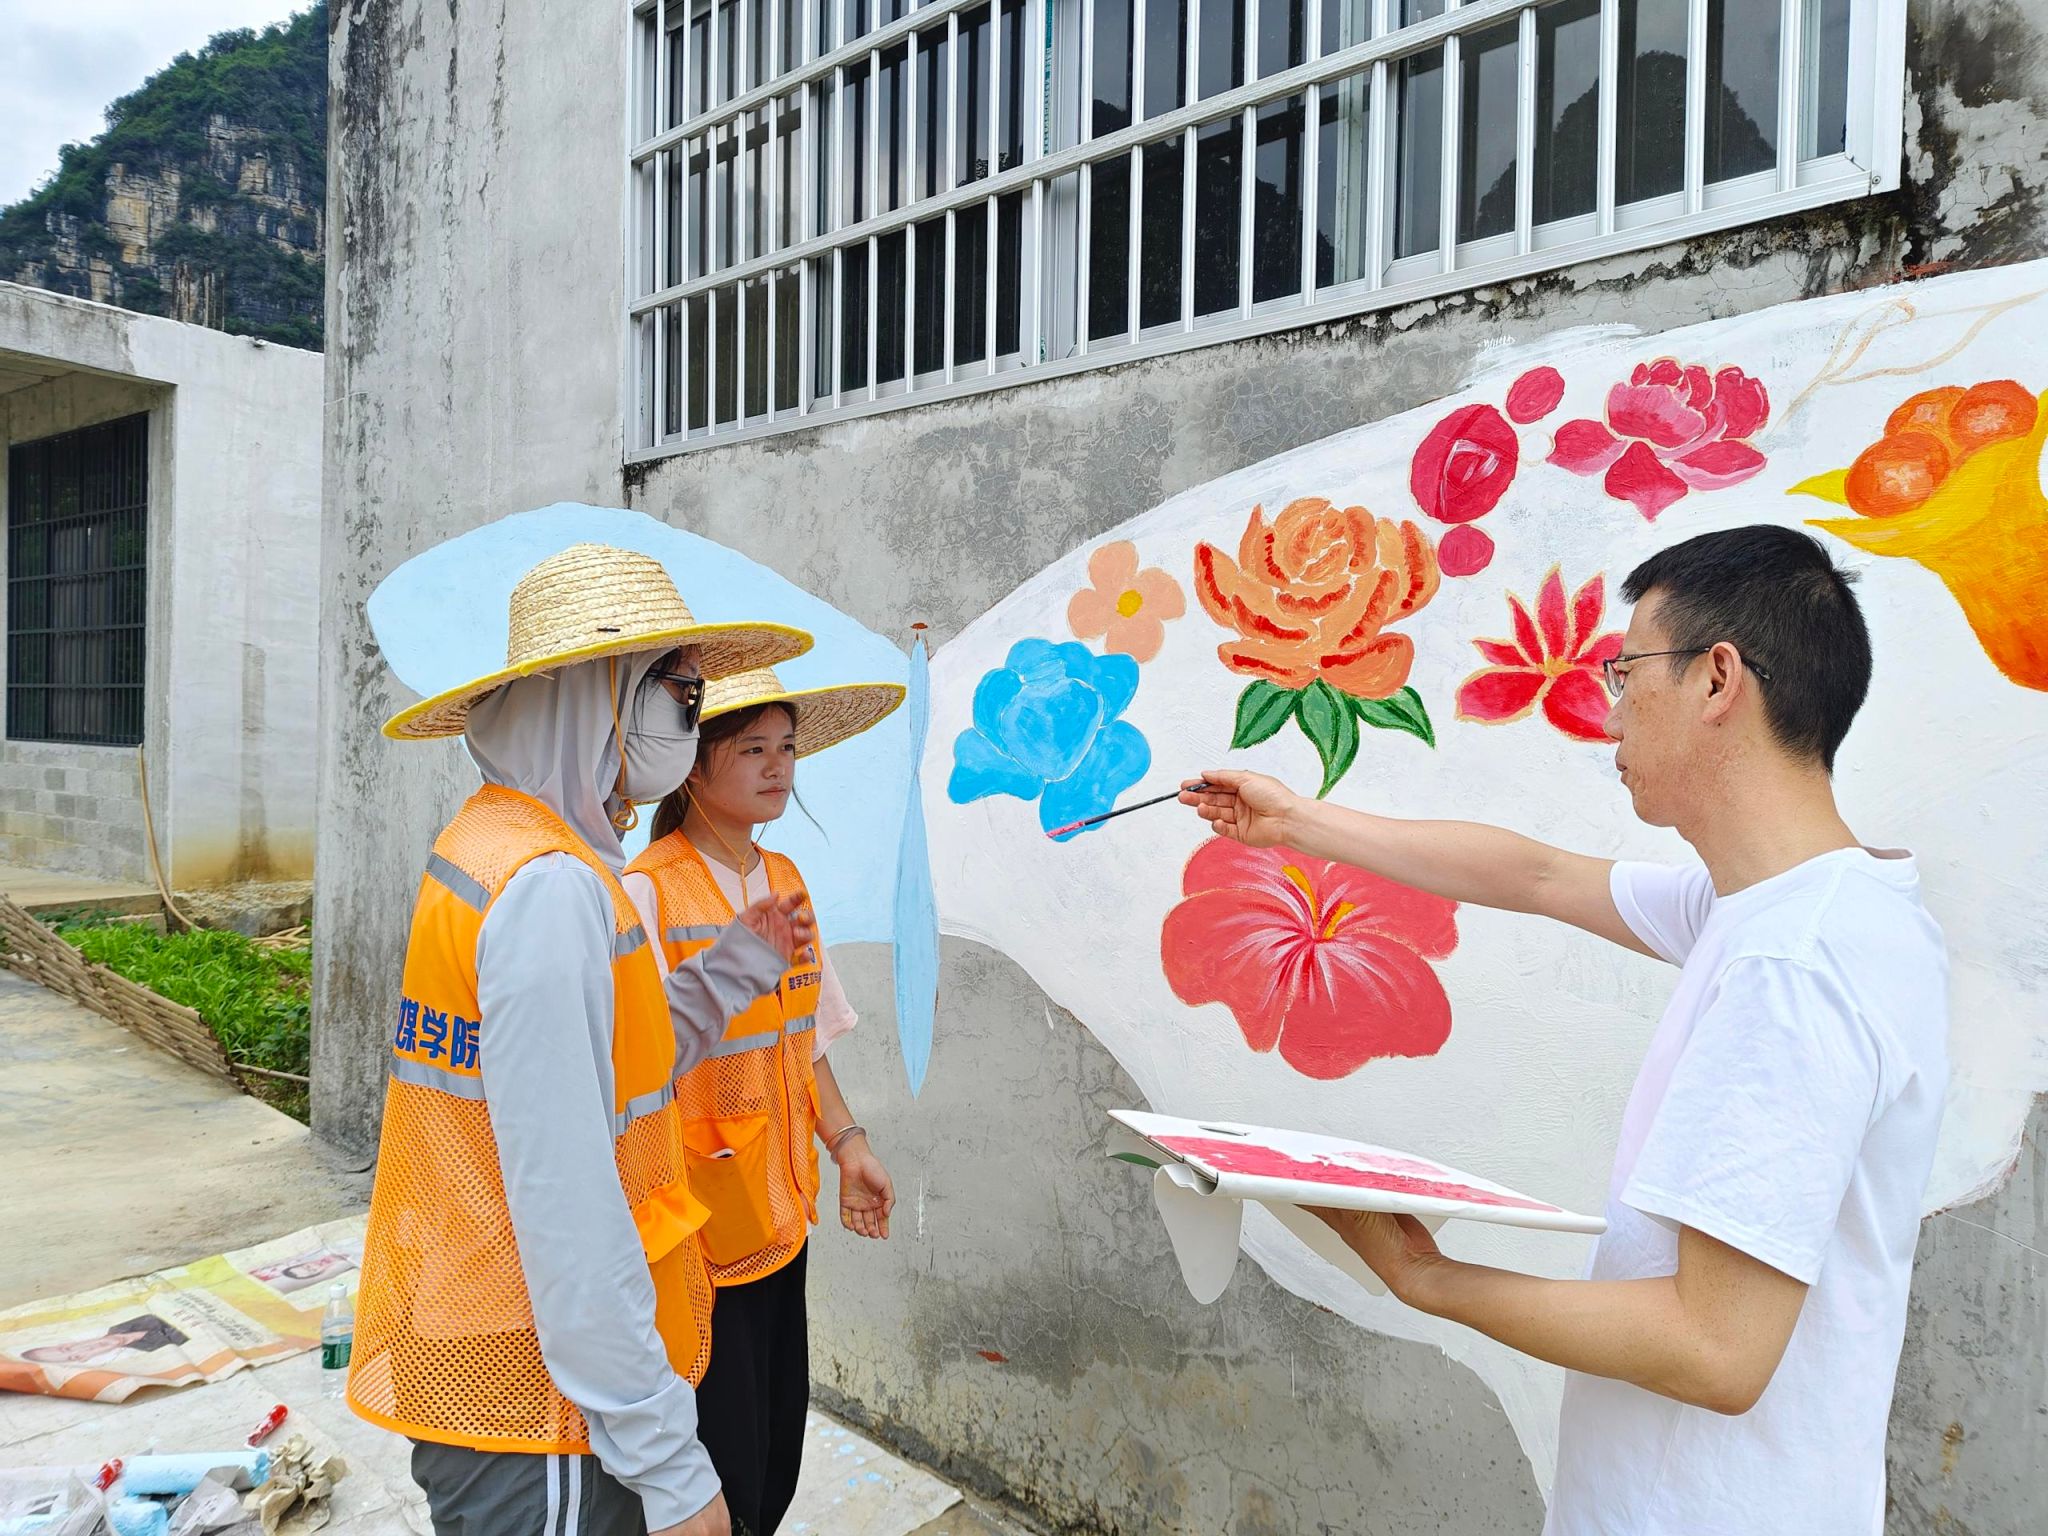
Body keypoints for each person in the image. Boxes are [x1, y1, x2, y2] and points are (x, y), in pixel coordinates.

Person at [1182, 525, 1948, 1535]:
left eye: (1627, 673)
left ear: (1717, 680)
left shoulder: (1791, 963)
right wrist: (1295, 824)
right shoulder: (1804, 907)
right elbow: (1536, 875)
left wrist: (1424, 1276)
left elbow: (1715, 1349)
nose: (1610, 713)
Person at [349, 543, 818, 1536]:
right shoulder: (550, 887)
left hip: (500, 1328)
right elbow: (568, 1198)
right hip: (540, 1390)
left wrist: (731, 969)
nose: (692, 723)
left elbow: (612, 1074)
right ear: (603, 697)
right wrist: (668, 1459)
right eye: (684, 695)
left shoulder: (500, 844)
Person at [624, 665, 903, 1536]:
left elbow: (804, 1038)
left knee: (776, 1447)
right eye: (752, 750)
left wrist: (848, 1143)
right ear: (692, 768)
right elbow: (630, 1069)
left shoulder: (784, 879)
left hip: (779, 1217)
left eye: (787, 748)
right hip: (695, 1232)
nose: (779, 767)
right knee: (722, 1464)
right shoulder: (648, 889)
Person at [21, 1314, 188, 1365]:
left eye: (67, 1349)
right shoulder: (149, 1348)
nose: (84, 1350)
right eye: (74, 1357)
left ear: (68, 1343)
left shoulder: (122, 1324)